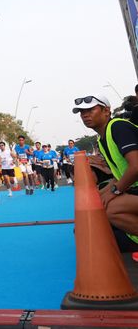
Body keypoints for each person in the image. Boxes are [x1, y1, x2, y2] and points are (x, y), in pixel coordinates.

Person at [73, 94, 138, 252]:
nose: (85, 115)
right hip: (134, 189)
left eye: (91, 110)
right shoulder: (102, 139)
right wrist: (97, 198)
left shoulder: (118, 127)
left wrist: (114, 192)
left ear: (106, 111)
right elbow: (118, 175)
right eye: (82, 112)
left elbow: (135, 167)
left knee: (111, 209)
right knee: (96, 204)